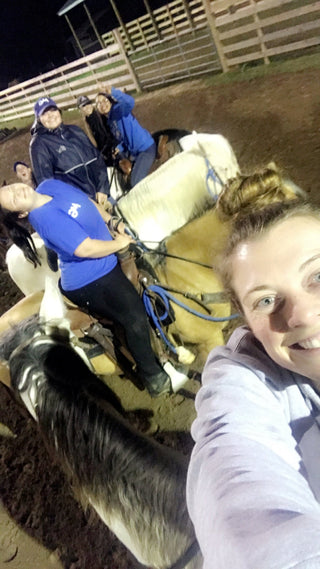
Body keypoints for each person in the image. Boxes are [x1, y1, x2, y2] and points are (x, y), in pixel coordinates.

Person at [186, 168, 320, 568]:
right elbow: (229, 459)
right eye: (265, 301)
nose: (301, 315)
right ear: (244, 319)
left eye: (318, 275)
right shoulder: (240, 383)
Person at [0, 179, 171, 398]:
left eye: (13, 188)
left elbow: (88, 202)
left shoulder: (49, 185)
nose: (18, 191)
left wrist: (112, 222)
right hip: (91, 277)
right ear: (21, 214)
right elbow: (85, 249)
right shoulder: (45, 219)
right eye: (13, 199)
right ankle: (153, 377)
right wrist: (118, 244)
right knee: (134, 316)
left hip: (107, 255)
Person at [29, 96, 112, 207]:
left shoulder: (75, 130)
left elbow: (97, 159)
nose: (50, 116)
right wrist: (79, 203)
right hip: (80, 205)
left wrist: (102, 189)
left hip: (101, 196)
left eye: (53, 110)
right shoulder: (39, 144)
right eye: (44, 113)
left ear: (59, 111)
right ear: (39, 119)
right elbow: (47, 184)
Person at [95, 87, 156, 187]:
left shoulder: (118, 110)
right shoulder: (110, 121)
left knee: (135, 182)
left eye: (105, 100)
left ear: (110, 101)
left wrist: (113, 92)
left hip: (145, 149)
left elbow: (130, 102)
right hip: (135, 153)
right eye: (98, 103)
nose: (102, 104)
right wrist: (120, 147)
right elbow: (124, 138)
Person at [77, 95, 116, 167]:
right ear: (80, 110)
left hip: (112, 149)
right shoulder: (89, 120)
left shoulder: (98, 117)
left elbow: (107, 136)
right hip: (105, 151)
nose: (87, 107)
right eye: (84, 106)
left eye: (88, 104)